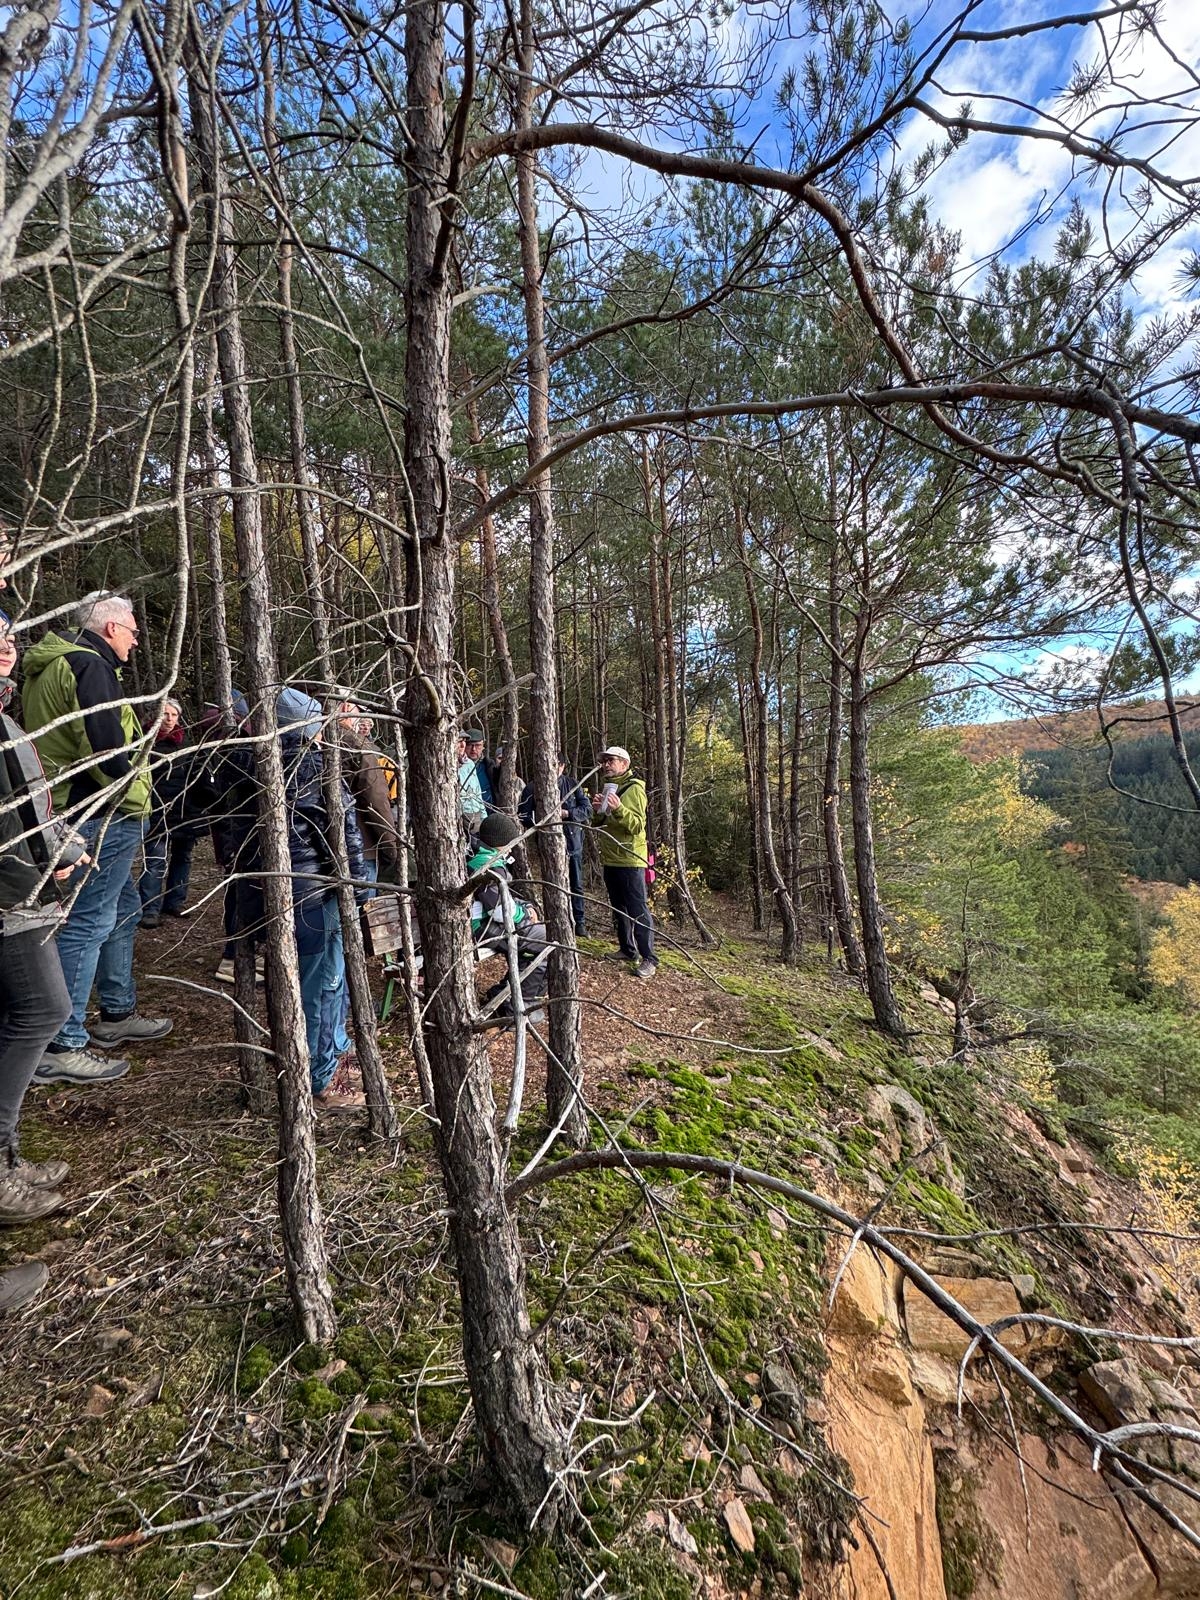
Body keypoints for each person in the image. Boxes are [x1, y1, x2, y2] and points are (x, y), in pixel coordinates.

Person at [21, 592, 171, 1084]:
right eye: (131, 630)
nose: (135, 638)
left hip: (77, 809)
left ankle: (117, 1010)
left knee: (121, 909)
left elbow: (86, 737)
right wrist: (136, 791)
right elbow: (106, 755)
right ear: (110, 629)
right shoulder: (90, 668)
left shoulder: (54, 665)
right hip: (98, 816)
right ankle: (64, 1042)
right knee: (87, 922)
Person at [0, 605, 89, 1248]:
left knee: (25, 1013)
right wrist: (44, 858)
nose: (6, 647)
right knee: (43, 1009)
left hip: (24, 886)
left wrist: (59, 842)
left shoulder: (5, 718)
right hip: (8, 900)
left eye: (8, 636)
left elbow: (26, 804)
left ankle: (8, 1156)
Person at [278, 688, 367, 1111]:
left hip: (295, 889)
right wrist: (360, 883)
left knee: (316, 981)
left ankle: (327, 1052)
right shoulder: (310, 766)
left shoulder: (265, 762)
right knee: (322, 983)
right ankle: (318, 1075)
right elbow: (337, 833)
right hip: (314, 891)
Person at [467, 812, 548, 1021]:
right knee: (543, 941)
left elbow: (506, 899)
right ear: (497, 843)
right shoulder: (487, 865)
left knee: (539, 942)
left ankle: (504, 994)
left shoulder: (485, 857)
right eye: (509, 843)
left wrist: (525, 906)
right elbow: (500, 911)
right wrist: (524, 918)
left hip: (485, 922)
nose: (512, 847)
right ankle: (517, 1007)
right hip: (481, 927)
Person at [591, 744, 657, 979]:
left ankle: (649, 958)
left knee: (638, 909)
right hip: (611, 859)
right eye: (605, 761)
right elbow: (598, 823)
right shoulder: (610, 788)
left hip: (630, 859)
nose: (607, 764)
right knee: (618, 909)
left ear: (625, 764)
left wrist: (618, 809)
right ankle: (628, 950)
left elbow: (637, 825)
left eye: (612, 760)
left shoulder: (634, 789)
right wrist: (598, 810)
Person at [139, 699, 204, 926]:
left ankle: (175, 902)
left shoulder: (186, 742)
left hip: (184, 811)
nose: (169, 719)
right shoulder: (144, 741)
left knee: (182, 858)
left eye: (173, 715)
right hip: (155, 810)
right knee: (155, 860)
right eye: (164, 714)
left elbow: (197, 777)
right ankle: (150, 908)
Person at [519, 757, 592, 935]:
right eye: (551, 764)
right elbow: (523, 814)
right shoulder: (532, 787)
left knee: (575, 884)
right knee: (551, 882)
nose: (555, 769)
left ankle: (579, 922)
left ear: (563, 766)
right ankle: (554, 919)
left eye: (558, 765)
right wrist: (541, 820)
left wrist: (568, 813)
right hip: (546, 843)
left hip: (572, 842)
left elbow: (587, 809)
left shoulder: (573, 784)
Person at [338, 702, 401, 887]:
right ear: (345, 708)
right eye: (358, 713)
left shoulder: (312, 738)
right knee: (365, 909)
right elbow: (376, 799)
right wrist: (391, 847)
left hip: (320, 849)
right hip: (362, 846)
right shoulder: (358, 745)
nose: (361, 721)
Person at [457, 729, 487, 852]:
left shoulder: (469, 763)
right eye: (459, 741)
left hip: (477, 819)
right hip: (460, 821)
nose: (463, 745)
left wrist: (484, 819)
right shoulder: (445, 765)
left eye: (464, 741)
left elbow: (477, 794)